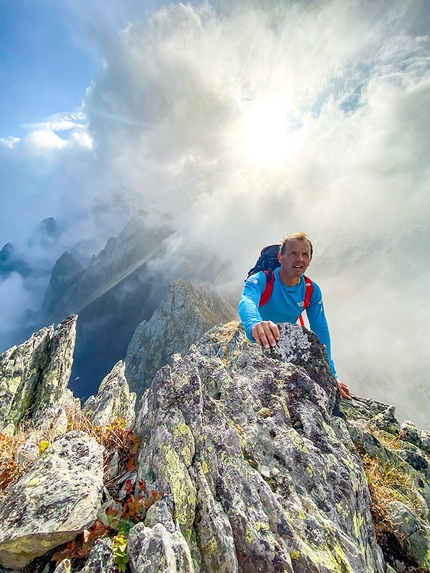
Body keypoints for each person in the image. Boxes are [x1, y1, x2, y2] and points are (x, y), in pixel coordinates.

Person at [238, 232, 350, 399]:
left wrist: (331, 374)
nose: (300, 259)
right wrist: (255, 324)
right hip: (254, 342)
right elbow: (247, 301)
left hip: (286, 348)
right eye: (293, 253)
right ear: (281, 257)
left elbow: (321, 330)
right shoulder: (262, 279)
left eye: (305, 254)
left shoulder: (311, 289)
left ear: (310, 260)